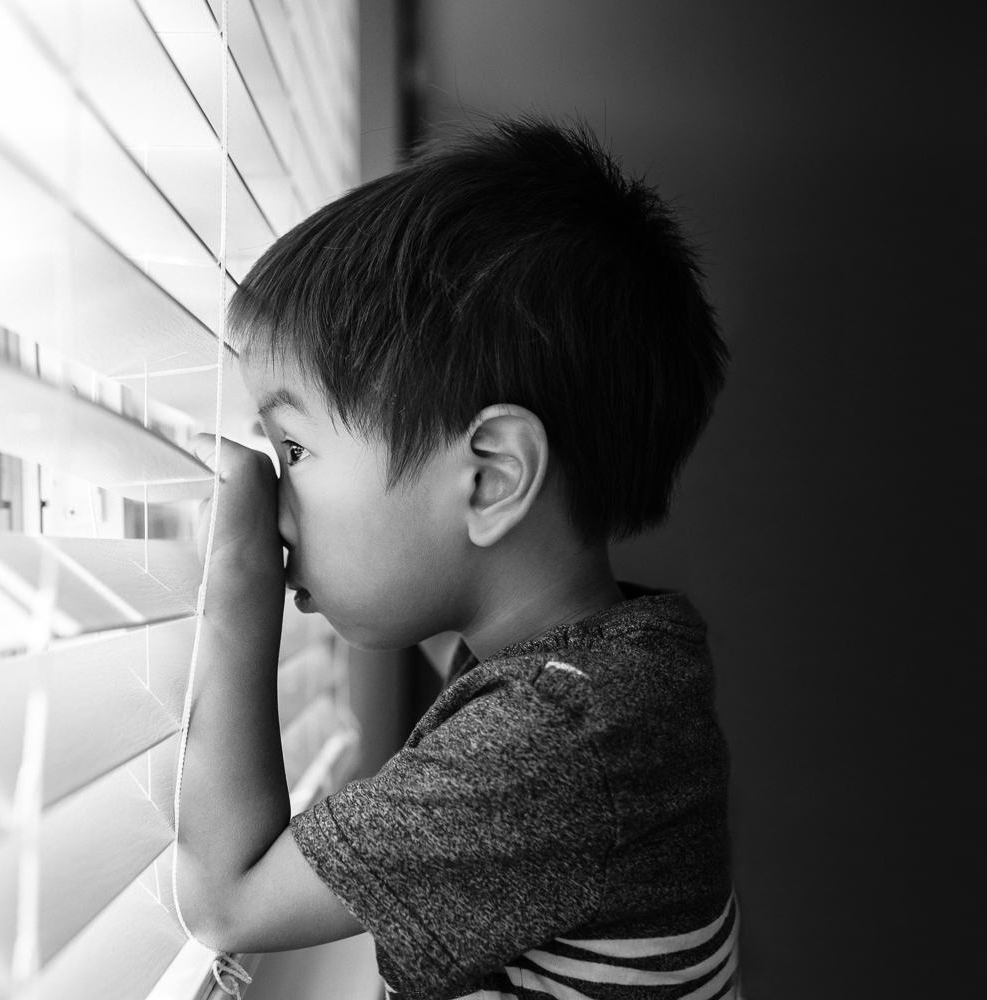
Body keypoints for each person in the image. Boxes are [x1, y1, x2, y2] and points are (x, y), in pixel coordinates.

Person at [176, 117, 736, 1000]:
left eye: (292, 451)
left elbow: (227, 901)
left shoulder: (555, 742)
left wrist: (237, 583)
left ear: (489, 480)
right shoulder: (603, 678)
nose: (275, 500)